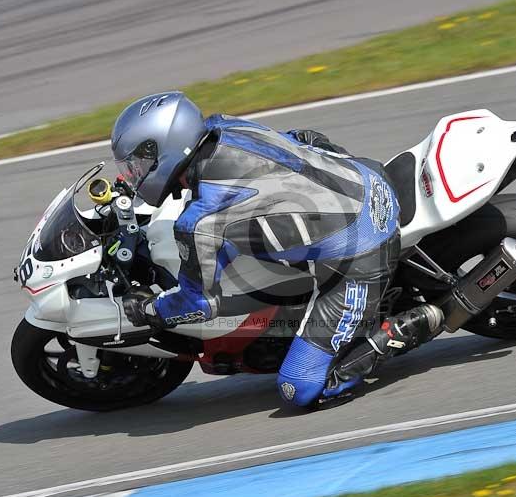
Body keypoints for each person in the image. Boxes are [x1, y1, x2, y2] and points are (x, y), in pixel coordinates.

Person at [115, 91, 443, 409]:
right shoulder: (225, 127)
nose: (133, 174)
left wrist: (149, 311)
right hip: (365, 174)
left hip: (362, 249)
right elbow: (304, 137)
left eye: (138, 163)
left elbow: (200, 305)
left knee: (298, 388)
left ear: (166, 149)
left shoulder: (199, 223)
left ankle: (398, 332)